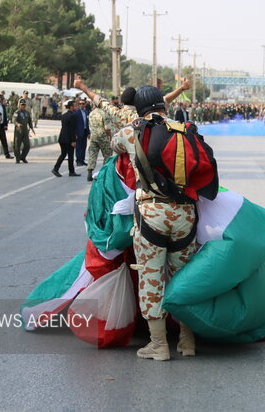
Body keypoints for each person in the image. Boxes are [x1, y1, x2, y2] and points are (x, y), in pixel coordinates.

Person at [112, 85, 198, 361]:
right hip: (186, 215)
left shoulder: (131, 131)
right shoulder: (186, 128)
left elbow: (114, 145)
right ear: (164, 105)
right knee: (183, 276)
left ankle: (159, 344)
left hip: (151, 215)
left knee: (151, 276)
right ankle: (187, 339)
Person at [52, 100, 80, 177]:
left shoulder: (64, 115)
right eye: (75, 106)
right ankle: (71, 171)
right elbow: (72, 129)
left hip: (62, 138)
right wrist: (73, 140)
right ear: (71, 107)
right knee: (70, 155)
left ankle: (56, 169)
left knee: (63, 154)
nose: (76, 107)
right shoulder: (73, 116)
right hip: (68, 139)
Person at [86, 105, 113, 181]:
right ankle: (104, 173)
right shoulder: (104, 114)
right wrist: (110, 136)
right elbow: (107, 128)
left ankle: (90, 171)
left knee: (92, 155)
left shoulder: (91, 113)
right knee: (107, 155)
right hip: (103, 137)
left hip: (93, 136)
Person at [12, 99, 35, 163]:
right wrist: (17, 124)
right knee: (17, 145)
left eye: (24, 105)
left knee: (27, 145)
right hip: (18, 131)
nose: (23, 106)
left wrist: (32, 128)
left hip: (25, 131)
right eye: (22, 105)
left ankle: (23, 157)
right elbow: (14, 120)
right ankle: (18, 158)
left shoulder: (27, 113)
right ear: (19, 105)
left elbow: (29, 121)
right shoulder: (17, 112)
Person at [0, 94, 13, 159]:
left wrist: (5, 125)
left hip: (2, 125)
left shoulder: (2, 106)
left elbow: (5, 116)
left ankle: (7, 154)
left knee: (4, 140)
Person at [75, 98, 90, 166]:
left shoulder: (86, 112)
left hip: (85, 131)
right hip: (78, 132)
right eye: (80, 104)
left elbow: (87, 123)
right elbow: (74, 124)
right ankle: (78, 160)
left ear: (85, 104)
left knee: (84, 146)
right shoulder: (77, 112)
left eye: (83, 104)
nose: (81, 105)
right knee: (79, 147)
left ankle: (82, 159)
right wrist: (75, 134)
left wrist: (88, 133)